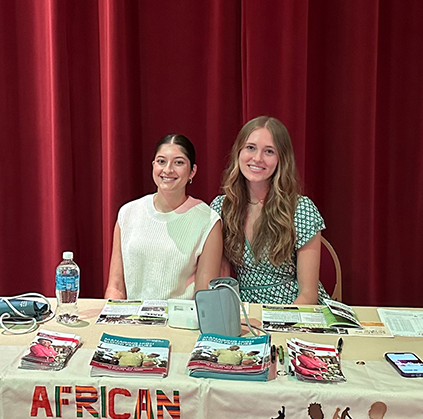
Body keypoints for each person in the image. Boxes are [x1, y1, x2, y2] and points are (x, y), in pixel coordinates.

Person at [211, 116, 327, 304]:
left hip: (294, 311)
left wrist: (276, 325)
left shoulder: (301, 209)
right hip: (244, 310)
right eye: (250, 148)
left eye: (269, 151)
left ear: (282, 159)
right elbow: (221, 279)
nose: (257, 158)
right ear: (238, 152)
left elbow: (308, 295)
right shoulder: (221, 207)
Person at [105, 134, 222, 300]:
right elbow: (115, 287)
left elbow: (204, 295)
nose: (168, 170)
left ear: (192, 171)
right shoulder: (128, 213)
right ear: (153, 166)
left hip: (180, 322)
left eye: (179, 162)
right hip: (132, 321)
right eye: (161, 161)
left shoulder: (208, 220)